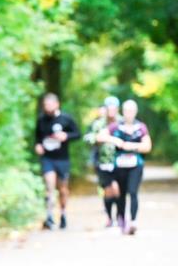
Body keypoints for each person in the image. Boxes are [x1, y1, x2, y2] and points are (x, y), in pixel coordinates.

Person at [99, 99, 152, 235]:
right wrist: (115, 140)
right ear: (123, 112)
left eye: (132, 111)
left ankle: (133, 221)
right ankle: (122, 219)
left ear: (135, 112)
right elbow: (100, 136)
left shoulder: (141, 127)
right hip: (119, 166)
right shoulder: (116, 126)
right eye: (127, 111)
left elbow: (147, 146)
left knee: (133, 192)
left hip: (136, 165)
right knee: (121, 194)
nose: (129, 113)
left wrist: (132, 146)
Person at [33, 92, 81, 229]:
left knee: (63, 189)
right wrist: (38, 146)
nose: (47, 107)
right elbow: (37, 137)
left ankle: (63, 213)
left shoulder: (66, 119)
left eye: (49, 104)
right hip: (47, 158)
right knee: (49, 186)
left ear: (57, 104)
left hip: (62, 159)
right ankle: (49, 216)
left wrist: (66, 136)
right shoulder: (41, 119)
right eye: (45, 105)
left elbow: (77, 134)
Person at [83, 96, 121, 227]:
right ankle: (110, 217)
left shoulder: (122, 122)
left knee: (117, 189)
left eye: (114, 108)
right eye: (109, 108)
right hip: (103, 161)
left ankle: (119, 216)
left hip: (120, 161)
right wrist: (97, 138)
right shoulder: (98, 124)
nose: (111, 110)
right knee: (108, 191)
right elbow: (88, 138)